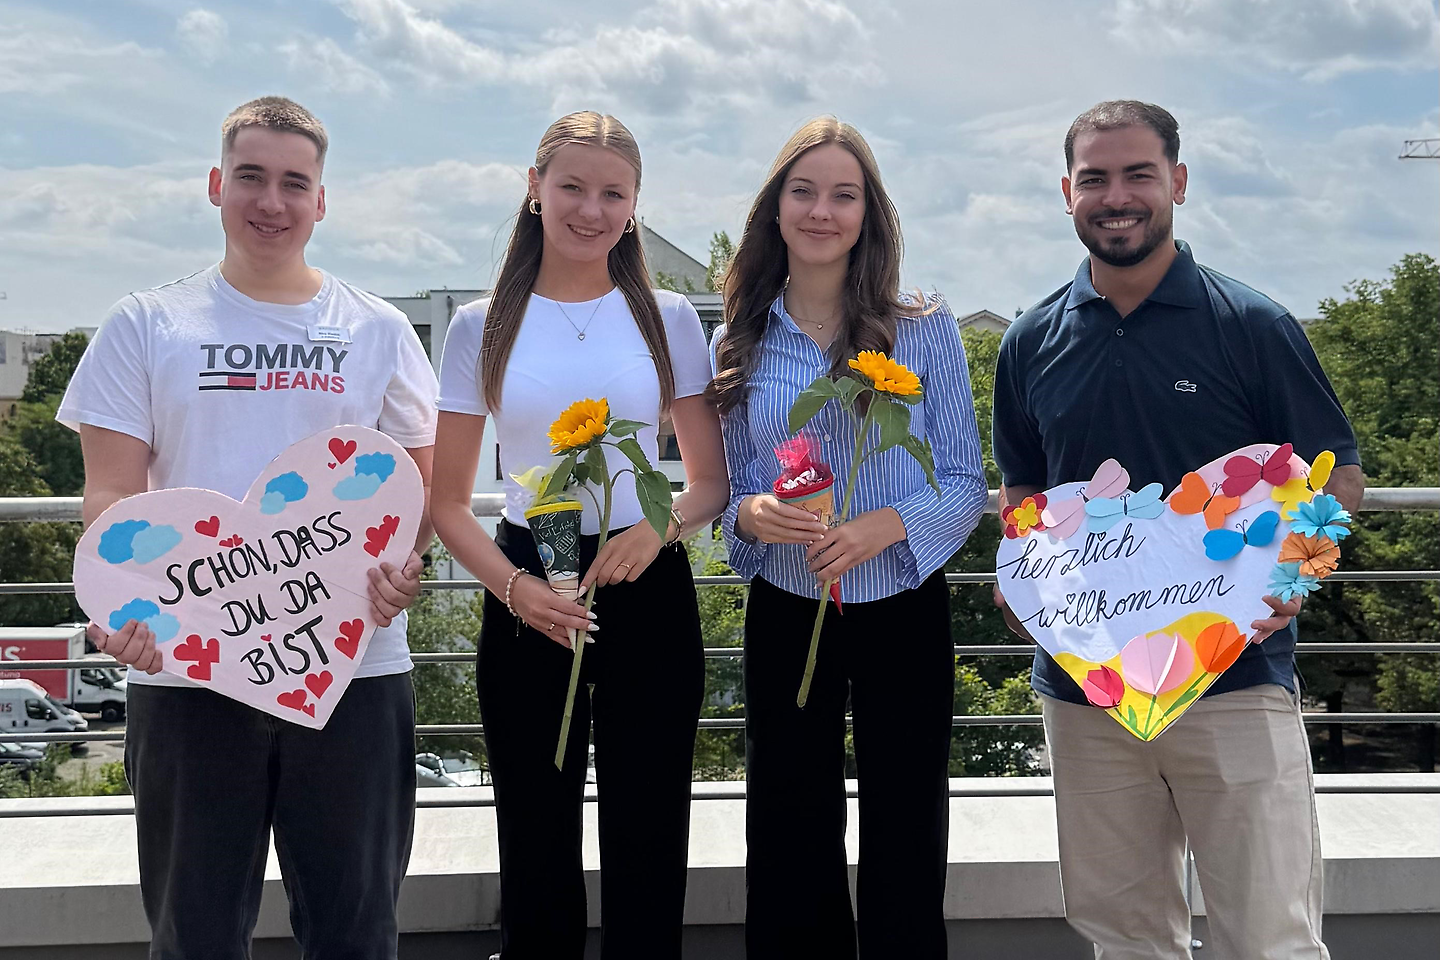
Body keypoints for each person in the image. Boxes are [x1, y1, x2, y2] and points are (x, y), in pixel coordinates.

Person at [57, 97, 437, 958]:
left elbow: (416, 496)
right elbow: (110, 496)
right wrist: (123, 608)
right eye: (252, 177)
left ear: (321, 200)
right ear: (215, 185)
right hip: (186, 672)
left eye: (294, 183)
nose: (272, 201)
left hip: (353, 671)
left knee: (357, 936)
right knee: (193, 937)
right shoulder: (144, 324)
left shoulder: (378, 330)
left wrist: (405, 568)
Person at [992, 100, 1365, 960]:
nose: (1116, 196)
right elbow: (1024, 488)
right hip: (1088, 689)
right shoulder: (1029, 340)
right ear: (1067, 192)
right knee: (1124, 938)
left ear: (1179, 183)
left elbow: (1336, 476)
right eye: (1095, 178)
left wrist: (1296, 574)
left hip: (1237, 679)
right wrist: (1026, 581)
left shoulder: (1253, 326)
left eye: (1139, 174)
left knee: (1268, 939)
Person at [430, 111, 728, 959]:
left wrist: (659, 529)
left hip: (646, 576)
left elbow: (710, 480)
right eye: (571, 187)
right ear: (534, 189)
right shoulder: (480, 324)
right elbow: (447, 502)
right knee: (533, 832)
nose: (590, 210)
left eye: (613, 193)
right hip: (529, 582)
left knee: (650, 831)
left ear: (634, 205)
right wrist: (516, 590)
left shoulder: (668, 317)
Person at [708, 116, 988, 959]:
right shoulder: (740, 338)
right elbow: (730, 495)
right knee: (787, 827)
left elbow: (963, 480)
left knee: (907, 823)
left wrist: (885, 525)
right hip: (789, 605)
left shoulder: (923, 326)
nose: (821, 211)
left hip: (901, 601)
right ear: (775, 207)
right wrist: (753, 516)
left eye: (843, 194)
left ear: (869, 214)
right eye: (803, 192)